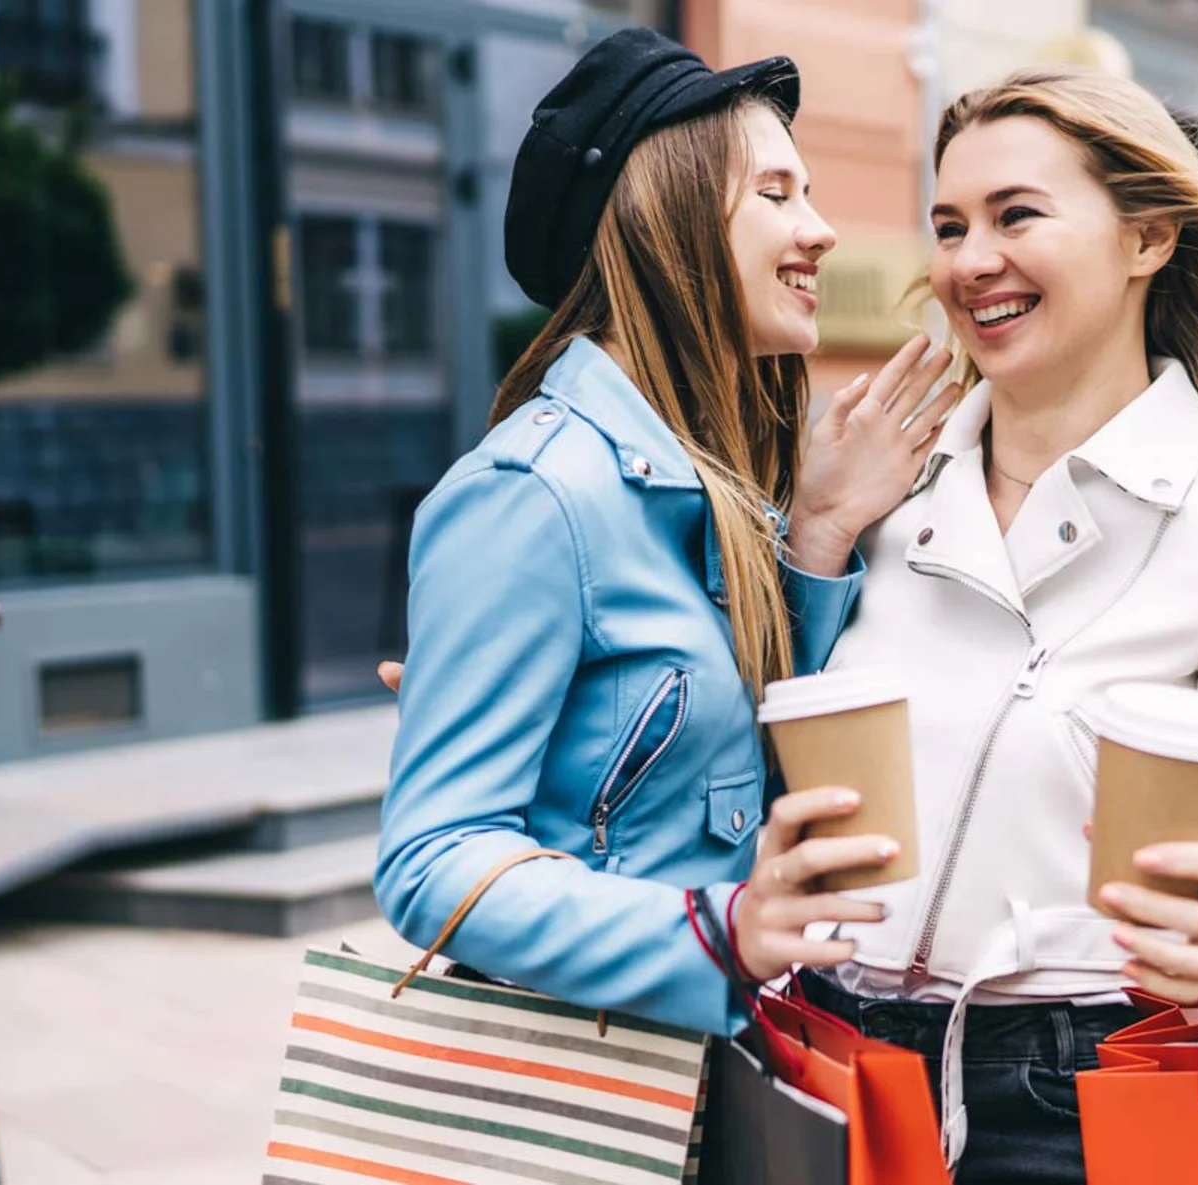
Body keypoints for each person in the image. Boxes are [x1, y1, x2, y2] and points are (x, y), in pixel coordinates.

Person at [781, 67, 1198, 1182]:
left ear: (1147, 239)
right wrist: (812, 537)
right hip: (832, 1065)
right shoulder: (877, 490)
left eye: (1016, 215)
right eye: (948, 225)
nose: (968, 261)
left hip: (1074, 1096)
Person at [372, 28, 960, 1038]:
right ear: (664, 221)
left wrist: (817, 532)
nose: (820, 230)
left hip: (709, 1069)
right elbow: (432, 859)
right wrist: (718, 931)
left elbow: (755, 775)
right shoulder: (535, 493)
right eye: (776, 195)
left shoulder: (715, 486)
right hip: (593, 1090)